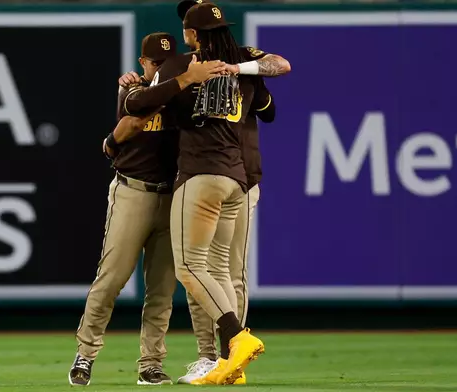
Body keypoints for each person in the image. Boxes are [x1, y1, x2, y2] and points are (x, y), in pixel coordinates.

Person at [120, 3, 276, 385]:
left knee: (190, 267)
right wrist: (240, 68)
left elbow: (135, 104)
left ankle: (236, 340)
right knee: (223, 269)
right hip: (237, 179)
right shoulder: (240, 64)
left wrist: (182, 81)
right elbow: (271, 98)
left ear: (190, 35)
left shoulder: (180, 66)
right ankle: (229, 363)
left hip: (201, 176)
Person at [69, 32, 224, 386]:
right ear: (143, 63)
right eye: (155, 62)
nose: (160, 67)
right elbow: (133, 119)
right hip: (133, 191)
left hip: (173, 195)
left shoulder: (184, 92)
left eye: (166, 63)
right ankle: (85, 354)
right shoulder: (134, 89)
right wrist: (174, 83)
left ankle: (150, 363)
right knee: (111, 279)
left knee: (162, 288)